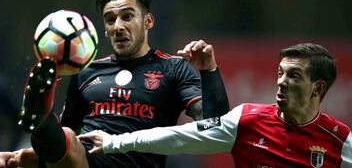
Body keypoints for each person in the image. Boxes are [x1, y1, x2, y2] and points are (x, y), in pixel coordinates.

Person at [0, 0, 229, 168]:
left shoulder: (172, 68)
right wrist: (20, 156)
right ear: (103, 30)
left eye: (127, 16)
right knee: (64, 138)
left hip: (135, 163)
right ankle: (41, 118)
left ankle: (41, 119)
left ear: (148, 21)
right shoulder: (86, 72)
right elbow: (60, 149)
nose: (118, 26)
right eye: (110, 19)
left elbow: (214, 127)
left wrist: (209, 70)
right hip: (85, 161)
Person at [78, 40, 352, 168]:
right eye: (280, 73)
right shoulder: (246, 120)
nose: (281, 82)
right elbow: (178, 136)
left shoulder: (341, 141)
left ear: (317, 88)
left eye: (294, 76)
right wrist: (115, 142)